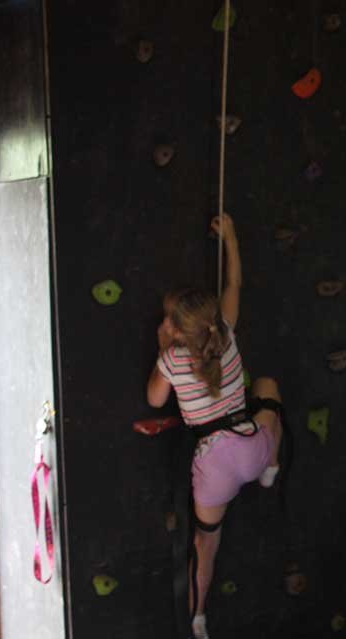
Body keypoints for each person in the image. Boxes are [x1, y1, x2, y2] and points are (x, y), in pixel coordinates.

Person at [146, 213, 283, 639]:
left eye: (169, 320)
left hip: (216, 467)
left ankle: (199, 617)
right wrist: (231, 239)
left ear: (177, 332)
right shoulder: (224, 330)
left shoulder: (172, 360)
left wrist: (161, 348)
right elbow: (234, 284)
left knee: (205, 546)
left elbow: (154, 400)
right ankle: (271, 468)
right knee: (268, 389)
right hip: (252, 447)